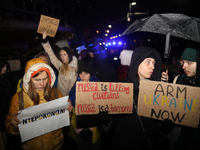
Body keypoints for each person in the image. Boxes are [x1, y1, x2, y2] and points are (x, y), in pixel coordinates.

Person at [99, 46, 170, 150]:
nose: (152, 67)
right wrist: (105, 116)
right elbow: (113, 122)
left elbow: (165, 125)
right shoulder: (121, 88)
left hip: (149, 144)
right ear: (137, 63)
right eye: (148, 62)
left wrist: (166, 93)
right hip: (125, 143)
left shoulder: (157, 90)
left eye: (154, 63)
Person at [5, 58, 73, 150]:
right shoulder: (18, 98)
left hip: (57, 145)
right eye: (37, 80)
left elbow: (63, 118)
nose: (42, 83)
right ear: (29, 79)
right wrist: (14, 127)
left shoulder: (55, 92)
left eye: (45, 79)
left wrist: (68, 111)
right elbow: (9, 128)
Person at [169, 48, 200, 150]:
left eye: (189, 63)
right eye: (183, 62)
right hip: (178, 136)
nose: (183, 66)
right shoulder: (178, 79)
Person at [68, 61, 101, 150]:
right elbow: (72, 106)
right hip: (79, 126)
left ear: (90, 74)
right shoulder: (75, 87)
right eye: (81, 73)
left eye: (86, 73)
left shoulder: (97, 86)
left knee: (94, 146)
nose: (83, 76)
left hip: (93, 126)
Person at [42, 32, 78, 96]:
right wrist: (44, 41)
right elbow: (51, 55)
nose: (62, 57)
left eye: (64, 55)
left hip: (71, 97)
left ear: (69, 55)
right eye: (61, 55)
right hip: (60, 96)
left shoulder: (75, 67)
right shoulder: (60, 65)